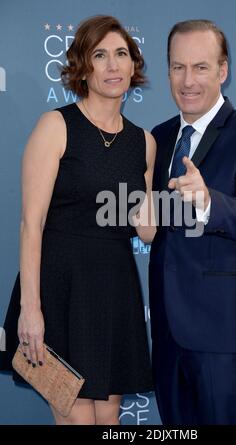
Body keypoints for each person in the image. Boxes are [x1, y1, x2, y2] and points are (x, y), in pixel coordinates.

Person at [0, 15, 156, 425]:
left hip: (114, 288)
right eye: (99, 55)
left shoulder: (145, 142)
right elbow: (30, 225)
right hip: (59, 290)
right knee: (77, 420)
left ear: (133, 64)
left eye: (121, 54)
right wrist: (30, 310)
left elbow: (147, 230)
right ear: (82, 68)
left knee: (109, 421)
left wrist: (177, 190)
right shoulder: (56, 126)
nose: (112, 66)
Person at [149, 19, 236, 425]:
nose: (188, 80)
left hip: (225, 338)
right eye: (177, 67)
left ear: (223, 71)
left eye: (200, 67)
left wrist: (208, 202)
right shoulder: (160, 136)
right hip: (168, 337)